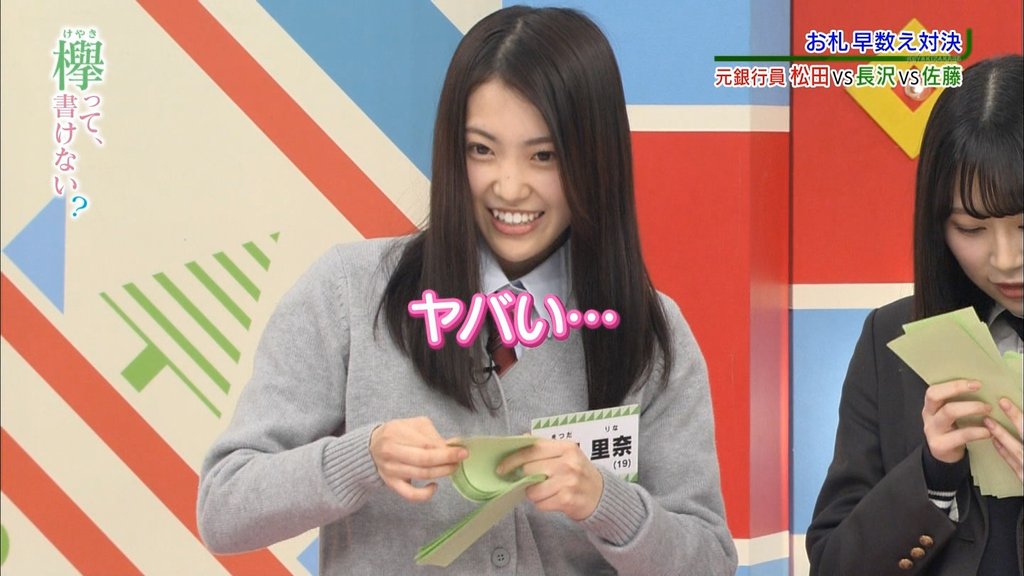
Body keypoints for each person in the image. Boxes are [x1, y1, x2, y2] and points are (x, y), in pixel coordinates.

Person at [197, 6, 737, 575]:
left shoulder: (648, 333)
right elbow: (224, 507)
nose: (509, 186)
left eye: (544, 155)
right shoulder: (348, 293)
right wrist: (361, 458)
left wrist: (607, 503)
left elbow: (709, 562)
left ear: (594, 159)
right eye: (482, 149)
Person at [807, 55, 1024, 575]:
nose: (1005, 259)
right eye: (970, 229)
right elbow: (833, 565)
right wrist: (931, 477)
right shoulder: (892, 338)